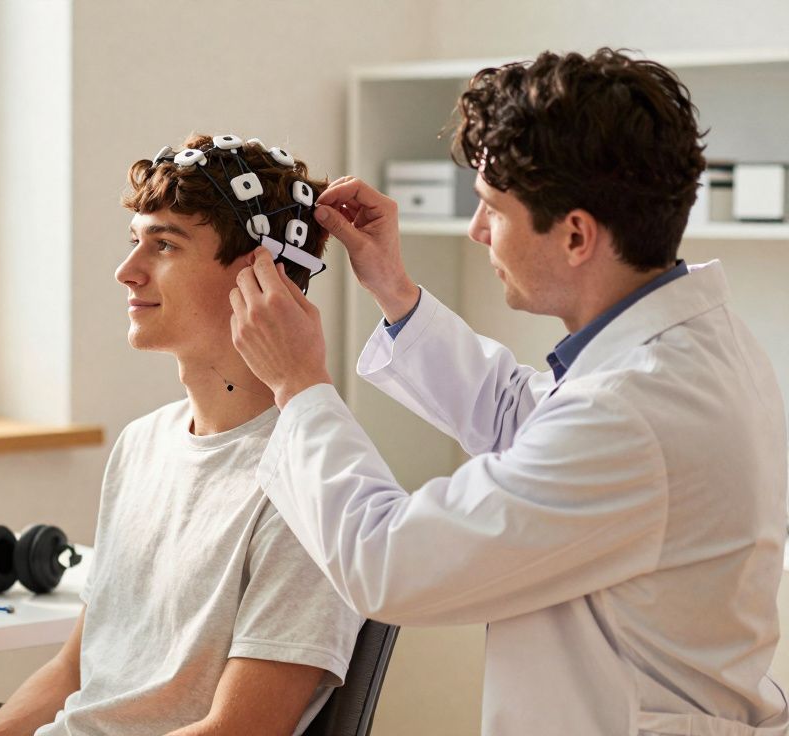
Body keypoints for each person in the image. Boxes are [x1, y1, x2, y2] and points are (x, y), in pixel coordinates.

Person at [230, 49, 789, 734]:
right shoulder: (686, 353)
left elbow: (389, 563)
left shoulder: (633, 411)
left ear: (576, 234)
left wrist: (299, 384)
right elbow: (523, 420)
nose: (476, 231)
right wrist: (395, 291)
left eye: (493, 208)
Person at [0, 134, 363, 736]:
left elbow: (240, 731)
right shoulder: (142, 445)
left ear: (260, 272)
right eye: (136, 241)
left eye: (163, 245)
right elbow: (73, 672)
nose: (127, 272)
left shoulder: (311, 482)